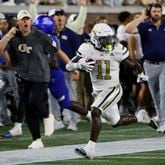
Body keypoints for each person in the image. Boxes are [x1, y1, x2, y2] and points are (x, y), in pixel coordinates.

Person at [66, 23, 157, 159]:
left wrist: (140, 74)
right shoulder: (86, 48)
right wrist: (79, 65)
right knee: (115, 122)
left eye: (109, 38)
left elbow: (132, 64)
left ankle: (90, 149)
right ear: (95, 39)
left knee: (95, 110)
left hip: (113, 88)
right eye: (104, 39)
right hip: (98, 91)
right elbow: (68, 65)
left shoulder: (117, 49)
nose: (108, 42)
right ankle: (140, 117)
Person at [0, 10, 84, 148]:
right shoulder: (13, 37)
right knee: (28, 108)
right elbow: (1, 48)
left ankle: (47, 116)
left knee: (33, 102)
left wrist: (72, 66)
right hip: (23, 76)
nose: (26, 21)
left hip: (40, 76)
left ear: (31, 21)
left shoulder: (41, 36)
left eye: (28, 19)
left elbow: (58, 51)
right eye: (23, 19)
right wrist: (8, 35)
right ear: (18, 22)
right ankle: (37, 140)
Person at [126, 3, 165, 132]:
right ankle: (160, 116)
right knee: (156, 94)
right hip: (149, 64)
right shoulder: (144, 26)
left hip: (164, 63)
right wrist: (142, 16)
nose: (157, 13)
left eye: (159, 11)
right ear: (150, 12)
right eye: (154, 11)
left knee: (164, 93)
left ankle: (163, 122)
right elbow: (129, 29)